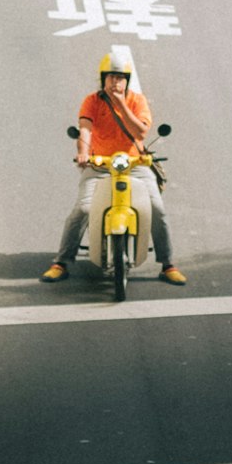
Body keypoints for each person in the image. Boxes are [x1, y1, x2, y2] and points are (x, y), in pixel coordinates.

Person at [44, 43, 180, 284]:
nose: (116, 82)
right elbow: (84, 130)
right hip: (100, 164)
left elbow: (140, 133)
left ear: (127, 80)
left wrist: (122, 106)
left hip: (135, 163)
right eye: (111, 77)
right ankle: (61, 261)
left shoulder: (137, 101)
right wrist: (83, 153)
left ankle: (167, 263)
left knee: (156, 209)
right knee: (83, 209)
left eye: (120, 78)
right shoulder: (92, 102)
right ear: (103, 79)